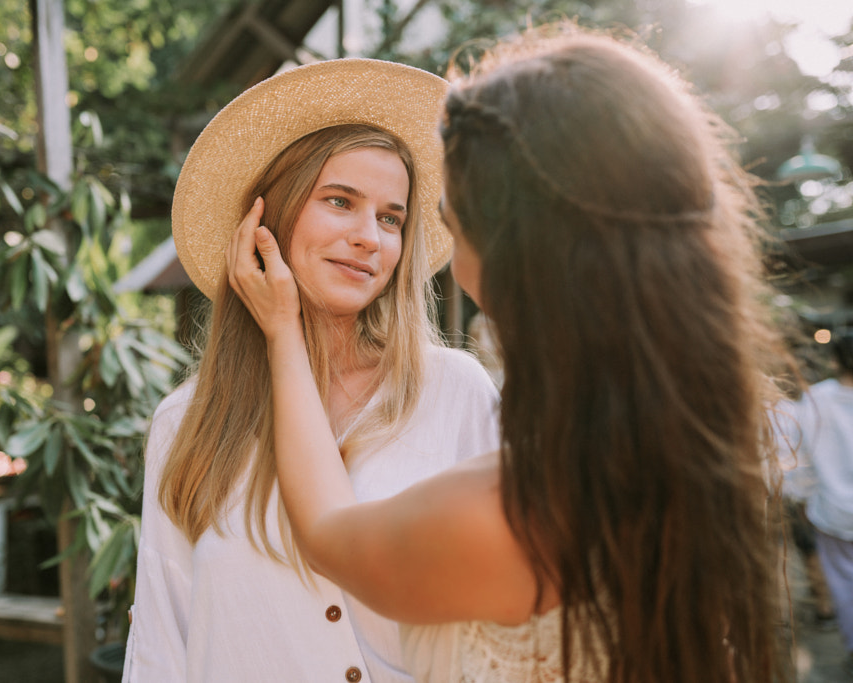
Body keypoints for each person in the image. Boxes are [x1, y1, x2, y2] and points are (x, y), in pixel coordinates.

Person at [228, 25, 790, 683]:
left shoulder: (514, 512)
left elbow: (327, 531)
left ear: (512, 251)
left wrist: (282, 331)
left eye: (434, 214)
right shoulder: (695, 458)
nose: (393, 238)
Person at [122, 58, 501, 683]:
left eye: (390, 217)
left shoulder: (454, 393)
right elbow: (164, 643)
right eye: (339, 201)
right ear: (268, 220)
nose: (369, 238)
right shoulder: (186, 421)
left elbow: (501, 629)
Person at [779, 327, 853, 674]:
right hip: (830, 514)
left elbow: (798, 458)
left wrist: (802, 497)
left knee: (842, 583)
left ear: (835, 360)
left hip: (833, 515)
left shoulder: (815, 399)